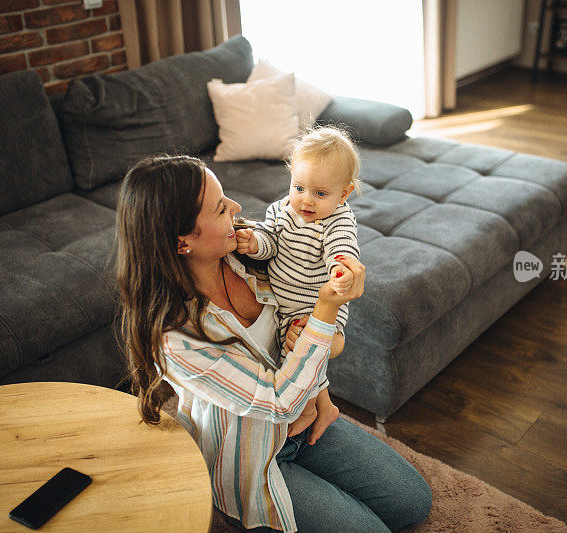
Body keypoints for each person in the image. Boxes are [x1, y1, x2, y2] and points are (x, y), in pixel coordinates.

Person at [115, 154, 431, 533]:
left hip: (302, 420)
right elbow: (278, 400)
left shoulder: (250, 252)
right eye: (220, 209)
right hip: (248, 456)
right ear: (183, 241)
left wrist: (320, 395)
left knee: (413, 502)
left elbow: (296, 334)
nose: (236, 207)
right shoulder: (173, 338)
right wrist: (326, 308)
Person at [235, 126, 360, 445]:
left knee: (304, 348)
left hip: (317, 306)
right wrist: (254, 244)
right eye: (299, 187)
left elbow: (341, 245)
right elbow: (269, 241)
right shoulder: (280, 211)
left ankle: (307, 408)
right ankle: (325, 405)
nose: (306, 200)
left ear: (343, 194)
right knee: (293, 354)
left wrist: (341, 267)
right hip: (285, 308)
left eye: (320, 194)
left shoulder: (338, 220)